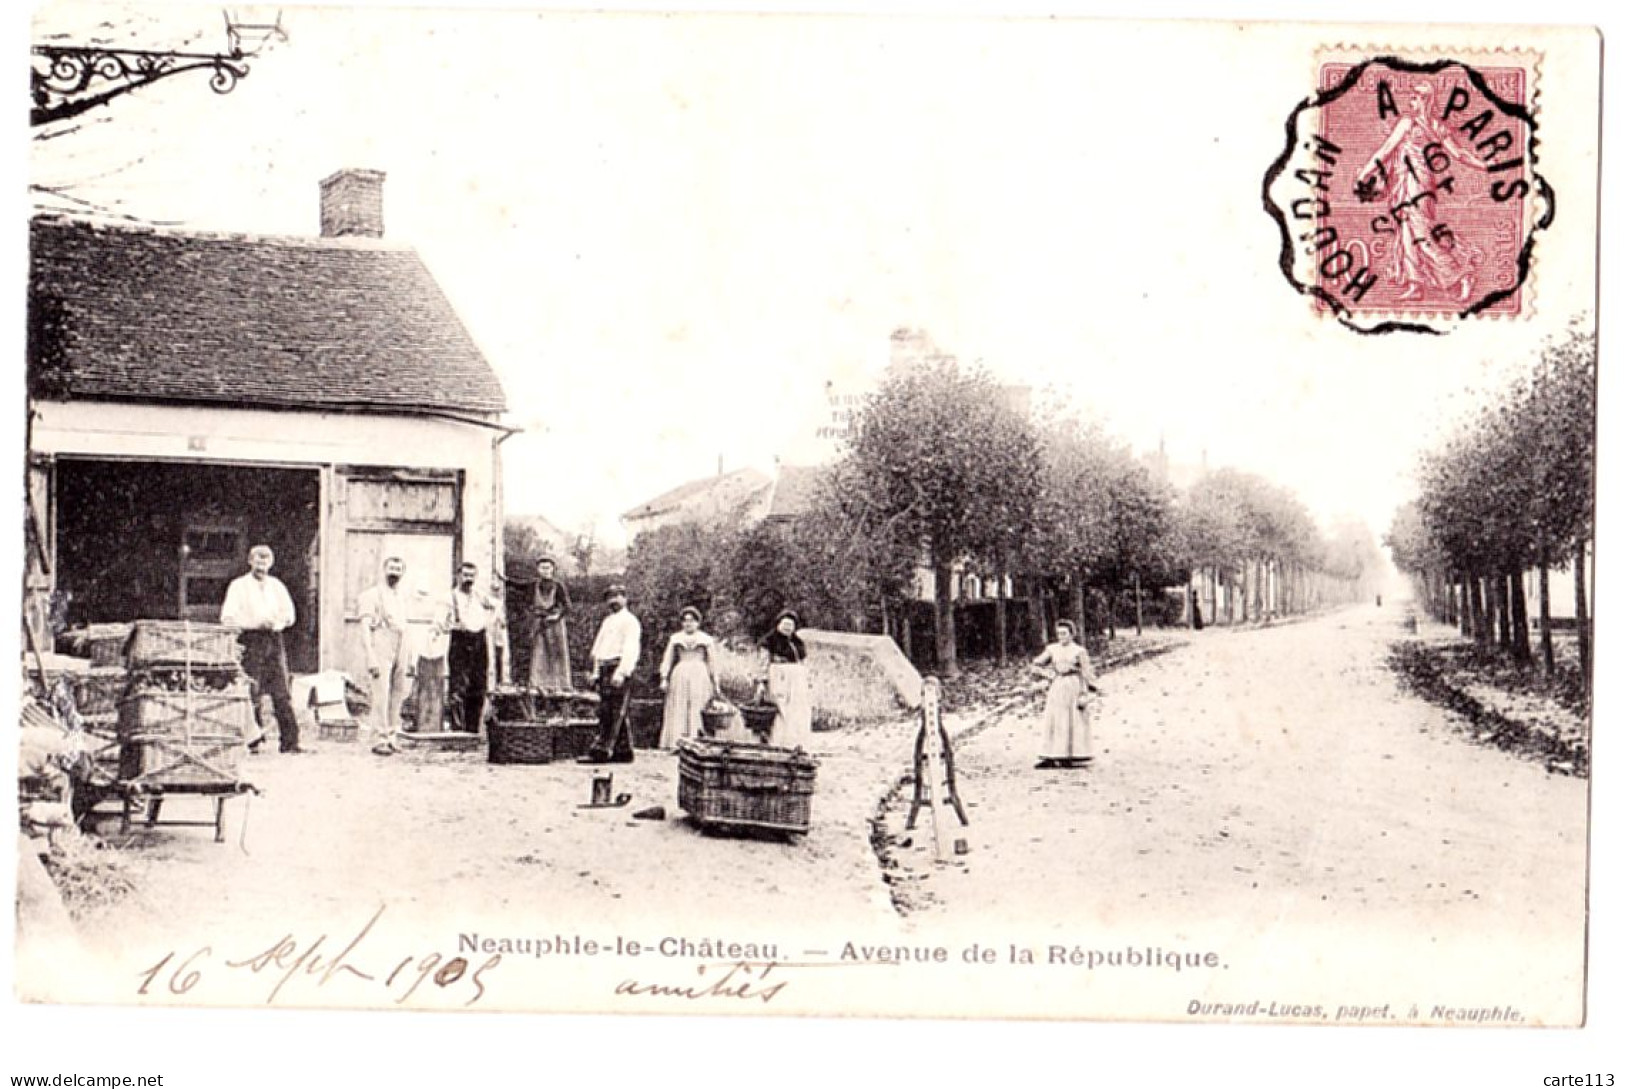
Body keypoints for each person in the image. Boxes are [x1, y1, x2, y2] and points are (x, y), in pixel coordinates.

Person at [1354, 81, 1491, 304]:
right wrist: (1484, 165)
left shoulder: (1408, 123)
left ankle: (1462, 274)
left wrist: (1365, 173)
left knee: (1422, 233)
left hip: (1414, 183)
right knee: (1408, 232)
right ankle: (1415, 284)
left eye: (1415, 98)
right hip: (1418, 182)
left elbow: (1386, 150)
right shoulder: (1437, 126)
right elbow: (1461, 155)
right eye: (1412, 97)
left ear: (1424, 100)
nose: (1411, 101)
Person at [220, 544, 307, 754]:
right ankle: (254, 741)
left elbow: (289, 614)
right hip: (250, 640)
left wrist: (277, 622)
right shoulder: (239, 586)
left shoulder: (277, 586)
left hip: (274, 640)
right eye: (258, 559)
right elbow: (227, 618)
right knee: (252, 689)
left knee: (282, 691)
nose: (262, 563)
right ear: (250, 561)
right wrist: (254, 622)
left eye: (266, 559)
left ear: (271, 562)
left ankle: (290, 742)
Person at [358, 556, 413, 755]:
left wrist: (410, 655)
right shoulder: (371, 595)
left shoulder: (401, 597)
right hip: (381, 639)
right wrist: (370, 656)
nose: (394, 572)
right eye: (391, 568)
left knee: (398, 692)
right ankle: (378, 738)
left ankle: (391, 736)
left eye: (399, 569)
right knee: (381, 691)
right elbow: (364, 627)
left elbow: (406, 626)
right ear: (384, 569)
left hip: (401, 641)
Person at [580, 584, 640, 764]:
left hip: (618, 666)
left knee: (612, 712)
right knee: (609, 709)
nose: (613, 601)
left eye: (617, 596)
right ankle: (623, 751)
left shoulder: (630, 621)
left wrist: (622, 672)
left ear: (625, 598)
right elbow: (598, 649)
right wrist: (596, 672)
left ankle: (601, 751)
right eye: (609, 597)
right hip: (605, 666)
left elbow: (631, 649)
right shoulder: (607, 621)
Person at [1030, 619, 1098, 769]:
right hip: (1057, 685)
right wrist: (1047, 675)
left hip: (1073, 685)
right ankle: (1051, 755)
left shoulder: (1079, 651)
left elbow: (1087, 672)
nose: (1061, 637)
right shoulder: (1052, 649)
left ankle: (1069, 754)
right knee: (1055, 719)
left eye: (1064, 633)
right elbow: (1036, 663)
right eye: (1059, 633)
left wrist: (1090, 689)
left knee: (1071, 719)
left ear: (1072, 634)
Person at [444, 561, 496, 734]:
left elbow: (496, 606)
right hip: (460, 641)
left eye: (471, 576)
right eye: (465, 575)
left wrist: (489, 622)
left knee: (478, 685)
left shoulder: (479, 595)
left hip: (479, 641)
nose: (468, 579)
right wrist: (452, 624)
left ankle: (473, 729)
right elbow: (440, 622)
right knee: (458, 686)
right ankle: (458, 730)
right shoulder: (449, 597)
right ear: (458, 576)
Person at [657, 607, 719, 748]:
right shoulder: (676, 638)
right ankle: (677, 742)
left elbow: (713, 662)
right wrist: (664, 678)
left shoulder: (706, 639)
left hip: (699, 674)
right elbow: (667, 659)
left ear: (698, 622)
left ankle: (696, 740)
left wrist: (716, 682)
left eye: (691, 621)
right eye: (685, 621)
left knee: (698, 704)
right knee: (679, 704)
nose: (688, 624)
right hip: (680, 673)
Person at [760, 610, 812, 749]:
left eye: (791, 625)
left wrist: (808, 678)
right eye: (785, 624)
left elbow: (803, 661)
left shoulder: (797, 642)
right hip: (778, 676)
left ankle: (796, 742)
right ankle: (778, 742)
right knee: (780, 708)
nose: (787, 627)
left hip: (797, 679)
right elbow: (763, 663)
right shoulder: (769, 641)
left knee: (798, 709)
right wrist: (762, 681)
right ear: (778, 624)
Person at [528, 557, 573, 692]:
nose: (545, 571)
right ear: (538, 570)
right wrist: (504, 579)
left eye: (548, 568)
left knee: (557, 652)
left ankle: (560, 684)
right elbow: (518, 585)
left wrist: (556, 616)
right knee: (539, 651)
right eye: (542, 568)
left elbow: (567, 607)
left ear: (553, 569)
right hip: (540, 622)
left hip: (555, 624)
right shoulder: (534, 585)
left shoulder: (558, 586)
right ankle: (538, 684)